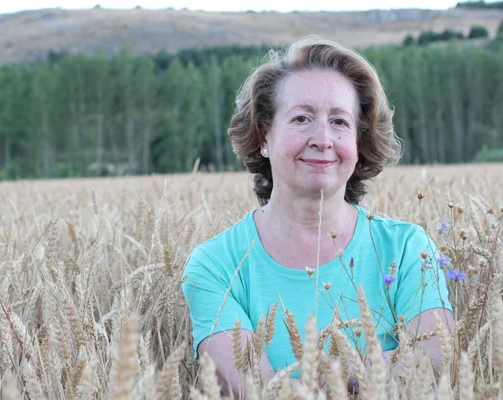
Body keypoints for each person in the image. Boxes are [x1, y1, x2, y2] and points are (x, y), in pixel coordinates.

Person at [181, 36, 453, 397]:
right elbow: (250, 389)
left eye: (339, 122)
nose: (322, 138)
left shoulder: (407, 249)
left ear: (359, 141)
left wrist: (310, 385)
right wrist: (363, 377)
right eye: (302, 118)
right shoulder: (215, 266)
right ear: (263, 136)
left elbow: (434, 361)